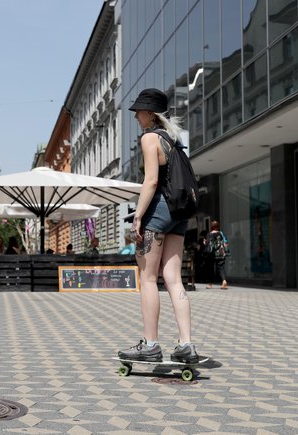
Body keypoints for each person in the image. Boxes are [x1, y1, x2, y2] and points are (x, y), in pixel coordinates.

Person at [118, 88, 199, 364]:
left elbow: (151, 181)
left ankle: (151, 344)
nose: (136, 117)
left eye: (138, 112)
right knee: (174, 278)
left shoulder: (150, 138)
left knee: (149, 278)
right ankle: (186, 344)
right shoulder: (173, 139)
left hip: (159, 211)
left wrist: (138, 216)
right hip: (180, 212)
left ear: (150, 114)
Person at [206, 220, 229, 289]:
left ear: (211, 227)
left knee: (210, 268)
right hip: (221, 253)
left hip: (212, 254)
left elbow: (208, 245)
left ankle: (210, 284)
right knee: (221, 267)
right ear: (217, 226)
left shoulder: (209, 234)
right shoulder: (221, 233)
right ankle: (224, 281)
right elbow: (225, 241)